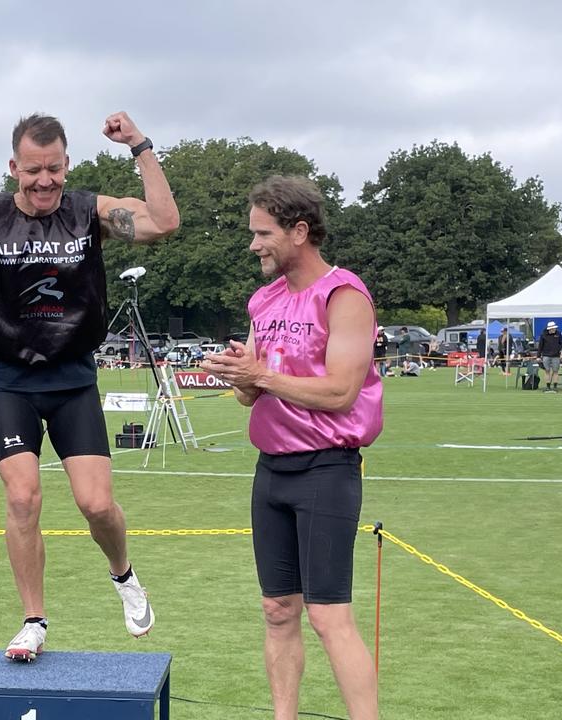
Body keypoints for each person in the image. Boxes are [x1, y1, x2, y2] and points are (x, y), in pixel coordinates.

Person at [0, 111, 179, 661]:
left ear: (67, 165)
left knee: (97, 504)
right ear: (14, 167)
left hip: (71, 378)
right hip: (8, 378)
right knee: (22, 496)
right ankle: (33, 620)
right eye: (33, 170)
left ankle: (124, 576)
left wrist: (139, 144)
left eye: (54, 169)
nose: (44, 181)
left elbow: (163, 222)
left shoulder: (90, 211)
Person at [202, 176, 381, 720]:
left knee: (329, 616)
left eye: (262, 233)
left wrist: (262, 375)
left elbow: (340, 392)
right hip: (271, 471)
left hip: (326, 470)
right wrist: (241, 375)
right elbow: (246, 396)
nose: (253, 245)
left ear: (299, 231)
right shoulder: (264, 299)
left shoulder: (344, 295)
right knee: (278, 610)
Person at [537, 321, 562, 393]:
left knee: (555, 371)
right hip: (546, 355)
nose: (554, 329)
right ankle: (548, 386)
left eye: (554, 328)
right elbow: (540, 346)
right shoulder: (543, 335)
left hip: (556, 356)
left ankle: (555, 387)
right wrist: (538, 356)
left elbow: (561, 343)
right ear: (549, 328)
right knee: (547, 371)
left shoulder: (558, 333)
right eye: (553, 328)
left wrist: (557, 349)